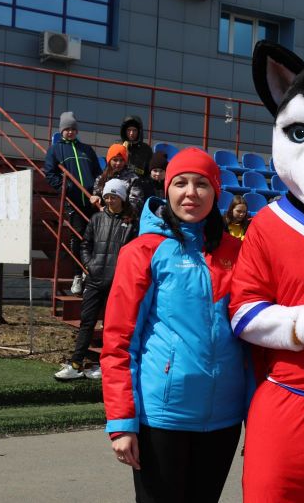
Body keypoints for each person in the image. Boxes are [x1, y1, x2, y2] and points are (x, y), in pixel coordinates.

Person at [101, 148, 250, 503]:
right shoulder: (143, 251)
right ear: (167, 189)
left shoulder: (238, 252)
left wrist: (255, 417)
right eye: (180, 183)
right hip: (162, 417)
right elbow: (119, 342)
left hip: (224, 419)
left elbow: (251, 342)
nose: (190, 193)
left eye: (202, 184)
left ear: (216, 191)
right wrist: (121, 422)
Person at [56, 179, 138, 381]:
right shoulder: (96, 218)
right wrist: (89, 265)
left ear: (122, 198)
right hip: (94, 279)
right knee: (87, 322)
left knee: (111, 325)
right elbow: (85, 245)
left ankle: (105, 366)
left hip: (116, 282)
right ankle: (76, 365)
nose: (110, 200)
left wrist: (123, 272)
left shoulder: (131, 222)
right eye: (107, 196)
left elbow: (135, 251)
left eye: (114, 197)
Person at [43, 111, 102, 295]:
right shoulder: (56, 149)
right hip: (73, 201)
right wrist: (65, 187)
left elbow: (98, 173)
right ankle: (77, 274)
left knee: (94, 238)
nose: (70, 132)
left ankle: (88, 273)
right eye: (67, 129)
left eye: (73, 129)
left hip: (91, 201)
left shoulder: (87, 149)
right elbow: (50, 173)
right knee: (78, 237)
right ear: (61, 131)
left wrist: (97, 192)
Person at [91, 143, 144, 213]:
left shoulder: (133, 179)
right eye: (115, 160)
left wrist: (112, 210)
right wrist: (96, 196)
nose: (118, 163)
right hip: (103, 216)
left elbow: (135, 203)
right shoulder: (101, 178)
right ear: (109, 161)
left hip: (124, 217)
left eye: (121, 160)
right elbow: (97, 192)